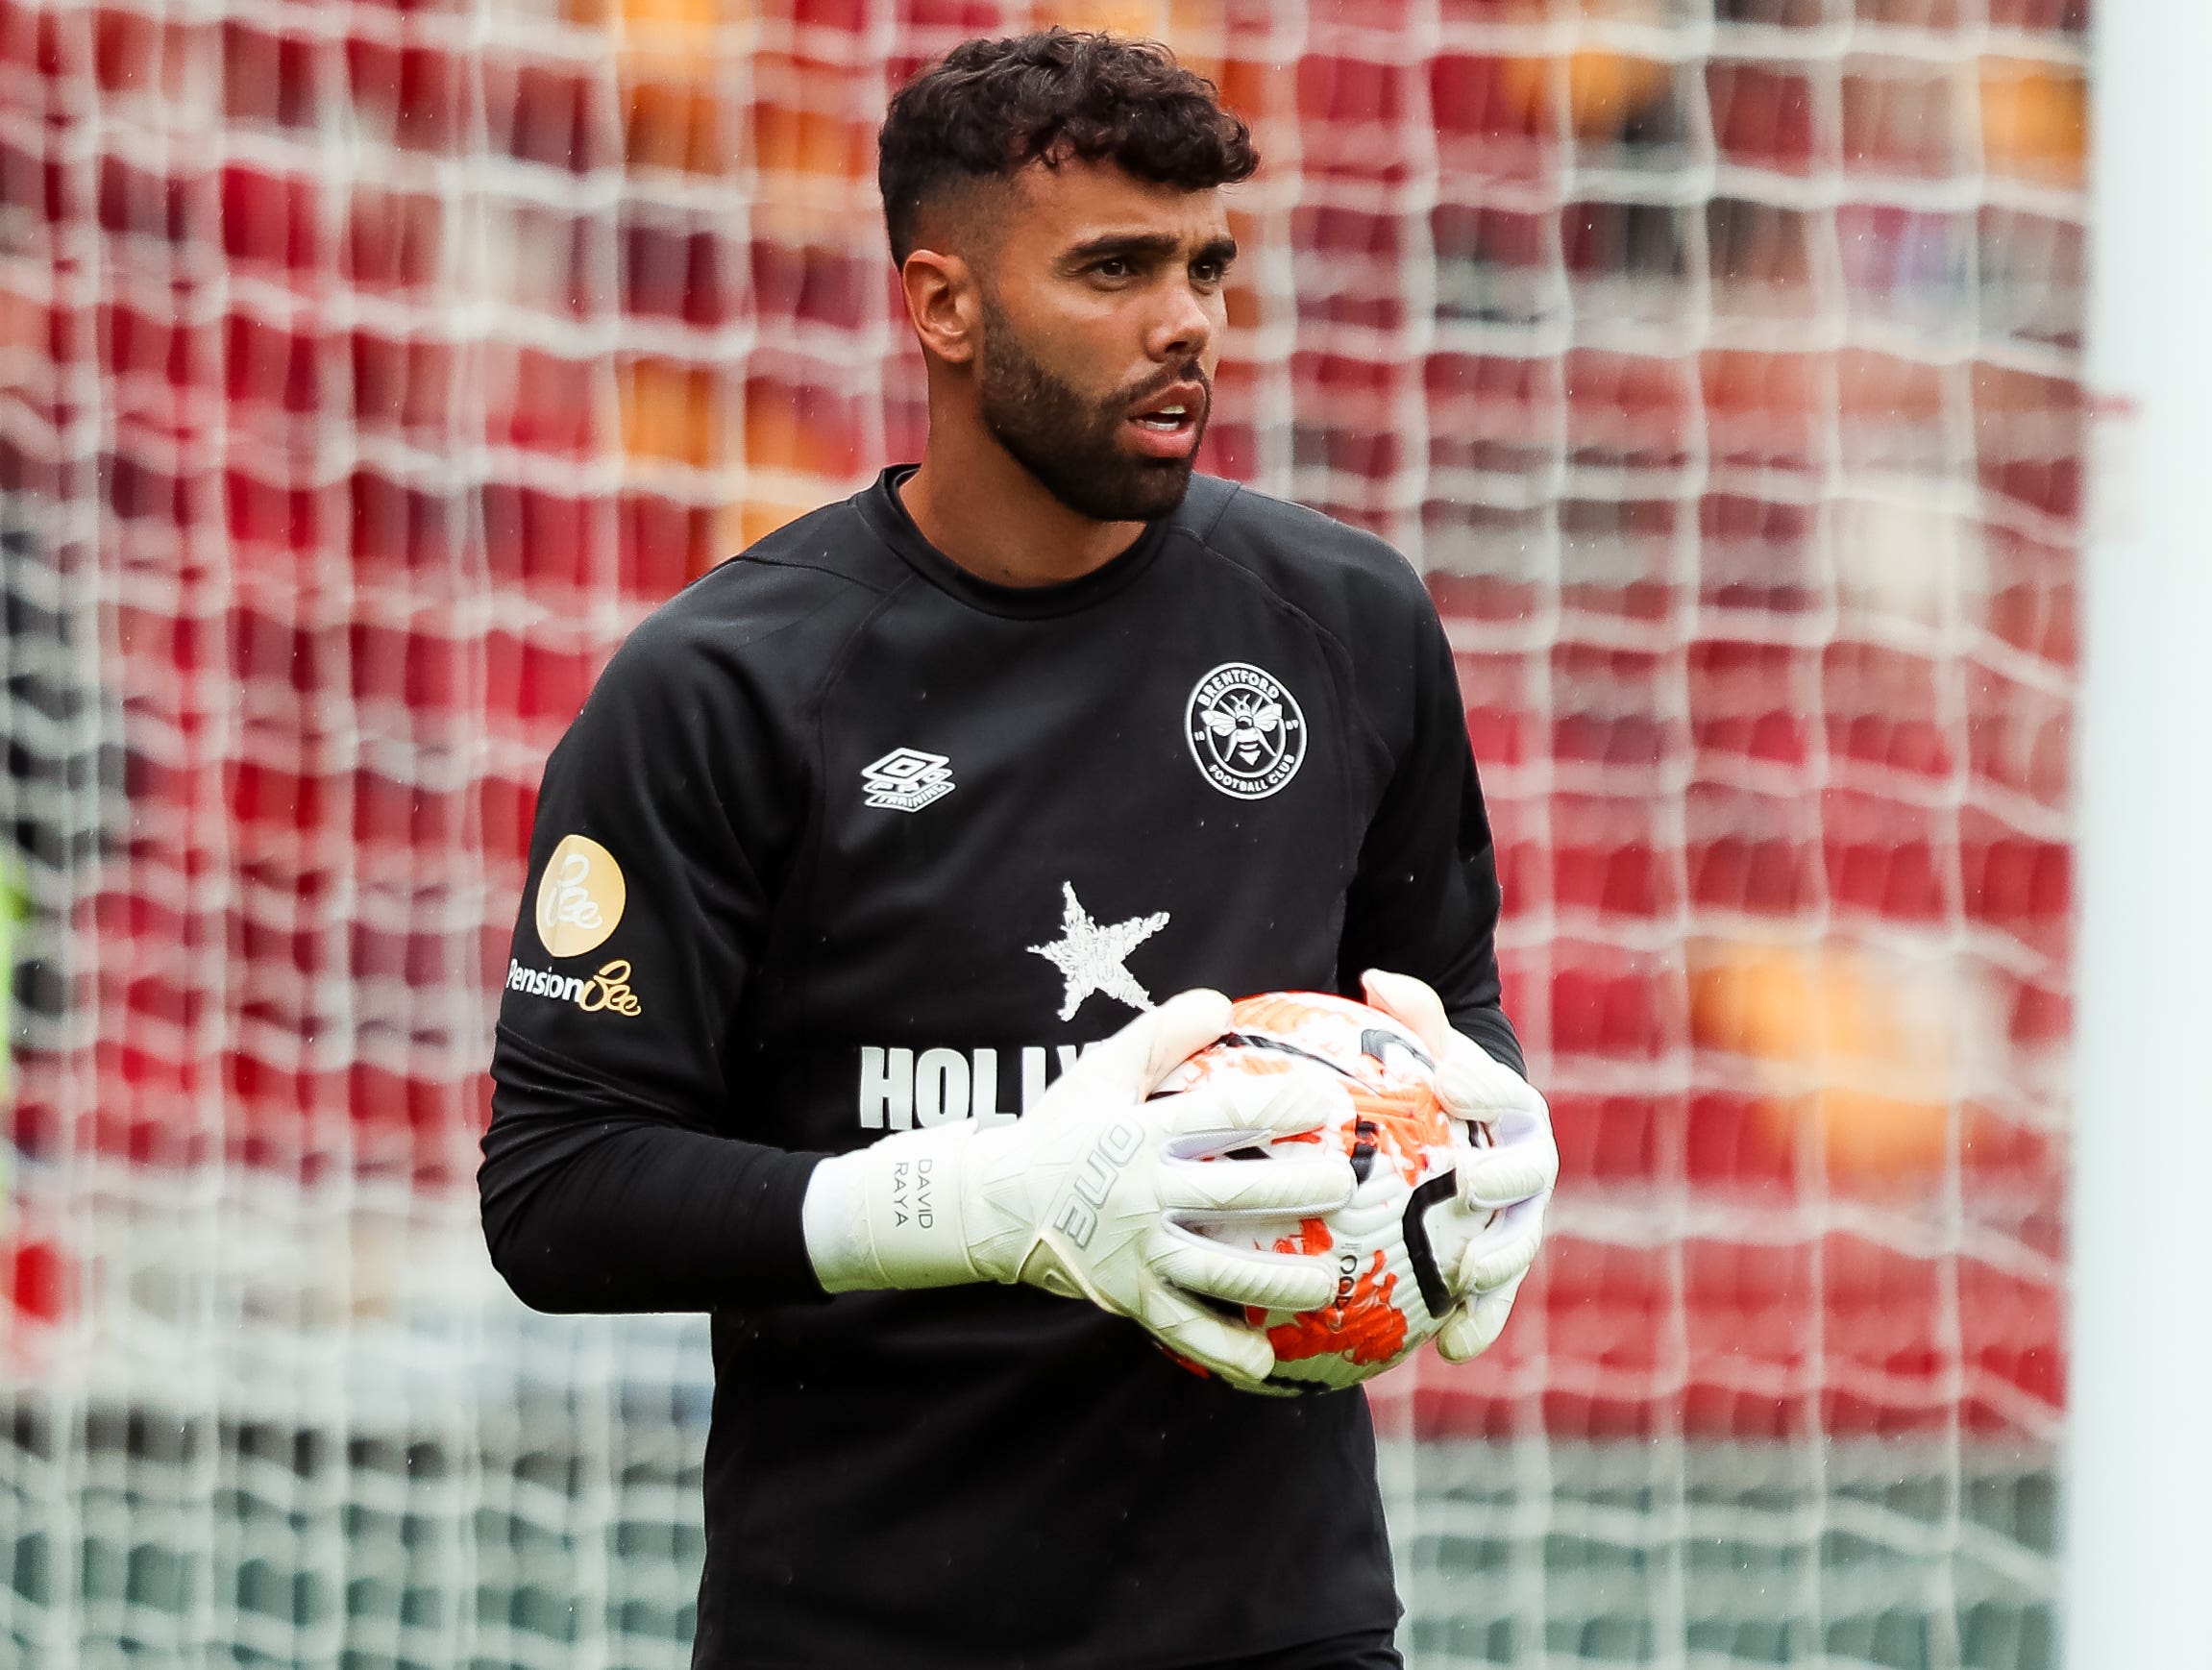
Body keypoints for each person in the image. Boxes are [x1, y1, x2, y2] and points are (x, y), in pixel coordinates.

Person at [480, 29, 1558, 1670]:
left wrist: (1492, 1150)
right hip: (858, 1633)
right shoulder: (724, 686)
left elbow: (1446, 1008)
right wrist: (982, 1200)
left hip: (1281, 1629)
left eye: (1207, 264)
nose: (1185, 318)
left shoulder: (1348, 622)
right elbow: (559, 1195)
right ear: (943, 305)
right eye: (1115, 267)